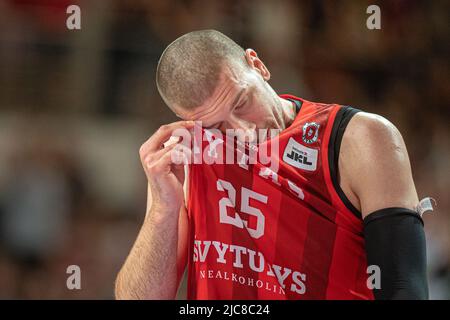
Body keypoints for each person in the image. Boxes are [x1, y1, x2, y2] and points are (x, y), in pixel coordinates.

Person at [115, 30, 430, 300]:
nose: (243, 131)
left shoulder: (359, 137)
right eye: (215, 126)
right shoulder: (189, 156)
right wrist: (163, 207)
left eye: (242, 102)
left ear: (258, 65)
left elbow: (404, 289)